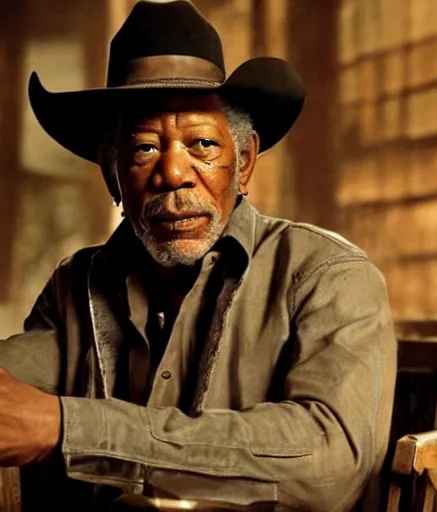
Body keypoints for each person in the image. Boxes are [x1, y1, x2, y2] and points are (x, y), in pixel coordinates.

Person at [0, 1, 397, 510]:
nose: (173, 173)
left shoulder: (325, 276)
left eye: (203, 144)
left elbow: (328, 462)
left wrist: (68, 427)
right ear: (111, 171)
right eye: (144, 148)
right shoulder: (79, 283)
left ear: (245, 162)